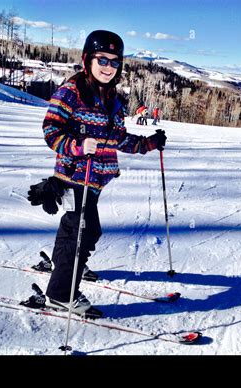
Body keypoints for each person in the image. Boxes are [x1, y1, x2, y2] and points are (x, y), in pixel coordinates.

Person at [30, 30, 167, 315]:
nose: (108, 67)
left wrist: (149, 143)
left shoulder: (111, 99)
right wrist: (77, 146)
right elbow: (50, 130)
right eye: (102, 59)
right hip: (74, 176)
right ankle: (60, 294)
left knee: (75, 231)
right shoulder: (71, 92)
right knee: (84, 231)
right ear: (87, 60)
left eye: (114, 62)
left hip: (96, 179)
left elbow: (118, 138)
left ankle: (64, 266)